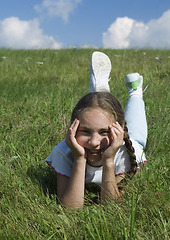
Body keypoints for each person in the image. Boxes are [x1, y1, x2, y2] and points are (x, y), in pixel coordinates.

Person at [46, 51, 147, 209]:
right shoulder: (64, 152)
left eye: (104, 132)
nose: (94, 143)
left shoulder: (125, 151)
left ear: (119, 129)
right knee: (96, 108)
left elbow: (111, 206)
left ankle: (135, 91)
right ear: (73, 128)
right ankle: (99, 92)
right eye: (85, 131)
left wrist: (108, 160)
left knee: (139, 136)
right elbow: (71, 207)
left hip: (124, 142)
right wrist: (80, 159)